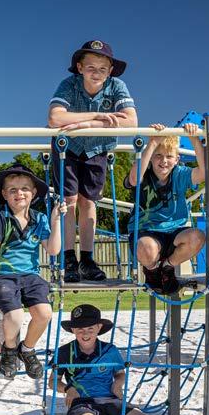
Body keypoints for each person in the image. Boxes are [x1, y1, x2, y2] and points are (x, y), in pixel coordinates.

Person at [48, 40, 137, 282]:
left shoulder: (116, 86)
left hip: (97, 148)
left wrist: (88, 124)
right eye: (90, 67)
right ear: (80, 68)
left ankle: (87, 259)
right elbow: (55, 118)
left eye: (102, 69)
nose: (96, 73)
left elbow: (131, 121)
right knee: (68, 201)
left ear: (110, 71)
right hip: (68, 147)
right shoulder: (69, 85)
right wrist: (98, 115)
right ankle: (68, 258)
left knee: (89, 201)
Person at [0, 163, 65, 379]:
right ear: (4, 194)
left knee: (44, 314)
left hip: (31, 276)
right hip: (4, 276)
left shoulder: (40, 219)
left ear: (33, 193)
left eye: (25, 188)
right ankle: (9, 348)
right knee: (15, 316)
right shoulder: (1, 217)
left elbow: (53, 249)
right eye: (13, 190)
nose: (19, 193)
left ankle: (27, 349)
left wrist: (56, 220)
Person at [124, 122, 205, 294]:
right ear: (151, 158)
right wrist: (153, 142)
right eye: (158, 156)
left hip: (174, 232)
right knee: (146, 246)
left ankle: (167, 267)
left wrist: (194, 139)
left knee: (197, 236)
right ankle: (152, 270)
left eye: (169, 156)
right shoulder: (144, 173)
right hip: (147, 231)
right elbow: (133, 179)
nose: (164, 161)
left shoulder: (180, 174)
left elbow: (203, 173)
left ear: (177, 159)